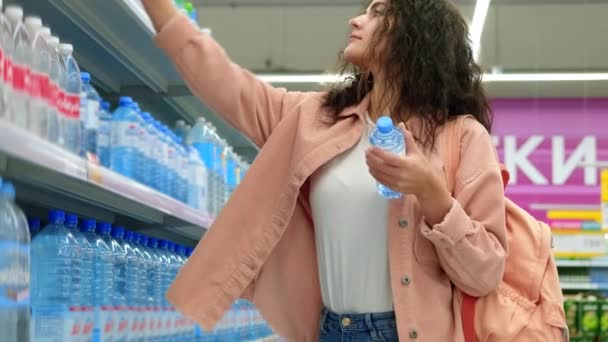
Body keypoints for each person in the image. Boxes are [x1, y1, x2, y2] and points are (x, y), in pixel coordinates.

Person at [142, 0, 508, 340]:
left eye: (376, 12)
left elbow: (485, 274)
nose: (356, 19)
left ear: (416, 34)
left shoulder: (462, 138)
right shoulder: (313, 119)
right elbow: (223, 81)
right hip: (329, 329)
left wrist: (433, 196)